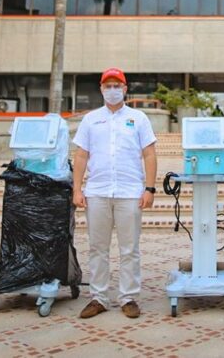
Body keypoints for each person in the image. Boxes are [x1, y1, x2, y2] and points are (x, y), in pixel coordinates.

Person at [73, 68, 157, 320]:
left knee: (129, 248)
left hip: (130, 192)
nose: (112, 90)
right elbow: (80, 155)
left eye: (116, 85)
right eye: (107, 85)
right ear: (101, 89)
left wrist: (149, 188)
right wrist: (77, 188)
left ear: (125, 88)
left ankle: (128, 297)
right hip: (97, 192)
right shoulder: (90, 119)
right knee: (97, 247)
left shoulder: (138, 118)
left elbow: (149, 154)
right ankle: (98, 297)